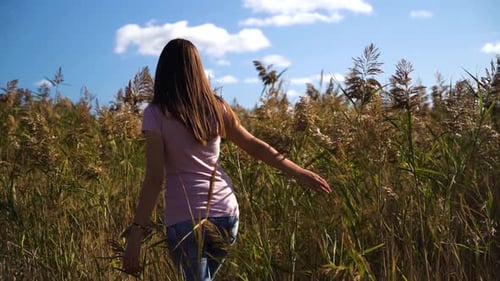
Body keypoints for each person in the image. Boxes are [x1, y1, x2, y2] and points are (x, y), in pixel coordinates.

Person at [122, 38, 332, 280]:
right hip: (225, 214)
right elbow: (255, 146)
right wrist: (298, 172)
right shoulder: (216, 108)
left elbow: (155, 178)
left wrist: (136, 233)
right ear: (197, 70)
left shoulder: (155, 114)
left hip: (184, 220)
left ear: (163, 72)